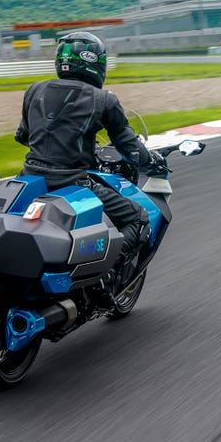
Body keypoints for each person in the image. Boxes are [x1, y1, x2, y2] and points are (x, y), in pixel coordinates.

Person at [14, 31, 162, 277]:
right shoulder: (103, 99)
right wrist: (152, 159)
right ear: (95, 62)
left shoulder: (34, 90)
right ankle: (106, 274)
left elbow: (22, 136)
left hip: (28, 177)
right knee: (138, 218)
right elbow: (130, 148)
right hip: (72, 181)